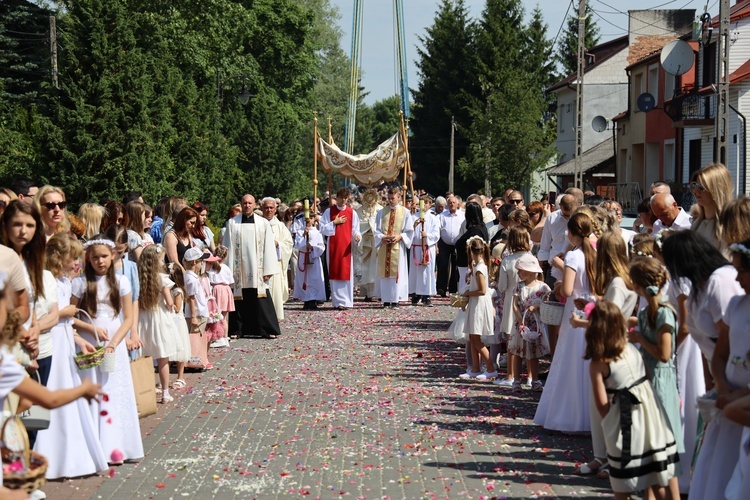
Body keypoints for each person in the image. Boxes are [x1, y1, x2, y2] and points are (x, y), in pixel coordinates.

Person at [585, 300, 680, 499]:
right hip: (650, 417)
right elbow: (646, 377)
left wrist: (610, 424)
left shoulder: (598, 363)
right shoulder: (632, 349)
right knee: (654, 476)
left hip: (624, 422)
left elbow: (602, 404)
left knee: (623, 483)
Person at [33, 234, 108, 479]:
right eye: (72, 256)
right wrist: (65, 312)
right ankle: (48, 453)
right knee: (53, 391)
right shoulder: (48, 282)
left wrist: (78, 341)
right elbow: (53, 316)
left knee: (69, 393)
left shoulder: (65, 281)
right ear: (58, 257)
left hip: (65, 339)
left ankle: (72, 454)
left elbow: (66, 323)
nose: (76, 261)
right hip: (52, 341)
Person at [569, 231, 638, 478]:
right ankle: (602, 456)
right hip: (611, 345)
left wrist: (581, 323)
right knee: (600, 407)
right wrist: (591, 306)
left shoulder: (618, 282)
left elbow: (612, 320)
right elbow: (609, 310)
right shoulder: (618, 280)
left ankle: (612, 457)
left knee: (607, 407)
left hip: (611, 348)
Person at [686, 239, 750, 500]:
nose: (737, 277)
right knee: (719, 470)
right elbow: (721, 354)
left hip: (745, 404)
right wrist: (722, 386)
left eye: (741, 271)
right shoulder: (736, 305)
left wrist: (739, 395)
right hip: (728, 400)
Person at [71, 237, 144, 464]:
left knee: (114, 388)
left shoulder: (121, 281)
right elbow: (71, 315)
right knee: (93, 386)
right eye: (95, 257)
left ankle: (119, 446)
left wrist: (115, 342)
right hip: (89, 339)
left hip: (114, 341)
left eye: (104, 256)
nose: (100, 261)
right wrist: (89, 329)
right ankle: (95, 448)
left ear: (113, 256)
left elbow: (129, 317)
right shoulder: (80, 283)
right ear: (88, 259)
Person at [534, 212, 596, 433]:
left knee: (570, 360)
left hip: (576, 309)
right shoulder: (596, 253)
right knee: (588, 361)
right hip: (593, 307)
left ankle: (568, 414)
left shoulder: (573, 256)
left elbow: (569, 290)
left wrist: (559, 286)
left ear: (570, 233)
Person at [628, 258, 683, 498]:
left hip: (660, 383)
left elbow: (664, 353)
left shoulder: (664, 313)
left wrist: (640, 340)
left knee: (663, 454)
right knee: (648, 452)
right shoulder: (645, 313)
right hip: (646, 381)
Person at [223, 194, 281, 339]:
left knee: (261, 298)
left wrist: (268, 269)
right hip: (238, 269)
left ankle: (266, 329)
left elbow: (268, 246)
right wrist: (227, 271)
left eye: (250, 203)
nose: (247, 205)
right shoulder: (232, 223)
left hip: (258, 268)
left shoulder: (263, 223)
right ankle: (236, 330)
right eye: (244, 203)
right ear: (241, 204)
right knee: (239, 298)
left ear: (255, 205)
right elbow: (227, 247)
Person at [536, 193, 579, 356]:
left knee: (571, 311)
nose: (568, 219)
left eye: (571, 215)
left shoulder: (582, 218)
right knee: (552, 313)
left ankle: (568, 352)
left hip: (574, 268)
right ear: (559, 207)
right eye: (565, 215)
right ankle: (553, 353)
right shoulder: (553, 219)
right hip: (554, 270)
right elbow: (545, 245)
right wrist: (542, 267)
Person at [138, 244, 179, 403]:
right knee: (163, 358)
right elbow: (169, 302)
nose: (163, 263)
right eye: (161, 260)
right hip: (159, 318)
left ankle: (146, 389)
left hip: (144, 319)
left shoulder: (140, 279)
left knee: (146, 355)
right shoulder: (162, 279)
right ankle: (165, 392)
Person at [493, 227, 530, 388]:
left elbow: (502, 285)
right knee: (528, 339)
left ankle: (510, 375)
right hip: (528, 300)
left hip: (511, 300)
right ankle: (530, 376)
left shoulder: (507, 261)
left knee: (511, 339)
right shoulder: (531, 258)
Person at [509, 254, 550, 392]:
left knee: (534, 354)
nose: (519, 273)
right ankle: (516, 380)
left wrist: (537, 306)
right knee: (518, 353)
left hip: (535, 324)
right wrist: (520, 319)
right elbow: (514, 305)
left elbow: (547, 303)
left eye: (521, 270)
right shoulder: (519, 286)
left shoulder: (542, 287)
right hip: (522, 324)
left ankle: (534, 379)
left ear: (531, 271)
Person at [459, 236, 496, 379]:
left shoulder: (480, 268)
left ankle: (490, 367)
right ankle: (475, 368)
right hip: (476, 303)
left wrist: (468, 293)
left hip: (479, 304)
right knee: (472, 337)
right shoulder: (478, 266)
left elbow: (482, 290)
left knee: (476, 339)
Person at [320, 188, 361, 310]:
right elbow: (322, 228)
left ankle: (347, 301)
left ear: (348, 198)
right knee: (335, 272)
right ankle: (337, 302)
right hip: (333, 246)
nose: (343, 200)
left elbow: (356, 229)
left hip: (346, 247)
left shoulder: (352, 213)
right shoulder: (329, 212)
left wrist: (357, 236)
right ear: (336, 197)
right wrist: (334, 222)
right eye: (341, 197)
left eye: (345, 198)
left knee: (345, 272)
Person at [374, 188, 414, 308]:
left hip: (398, 247)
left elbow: (409, 231)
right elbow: (376, 230)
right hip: (384, 246)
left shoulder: (405, 212)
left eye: (393, 198)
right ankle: (386, 300)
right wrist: (382, 237)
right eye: (389, 198)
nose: (390, 200)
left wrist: (400, 236)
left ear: (399, 198)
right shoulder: (382, 212)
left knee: (397, 274)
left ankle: (395, 299)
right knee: (385, 275)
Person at [689, 163, 734, 257]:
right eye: (694, 185)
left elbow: (727, 263)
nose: (696, 191)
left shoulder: (728, 226)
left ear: (717, 189)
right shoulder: (696, 224)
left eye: (701, 187)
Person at [259, 198, 294, 318]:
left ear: (275, 210)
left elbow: (289, 244)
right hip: (259, 265)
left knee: (274, 292)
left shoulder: (280, 227)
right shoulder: (257, 224)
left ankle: (274, 317)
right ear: (262, 209)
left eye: (271, 208)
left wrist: (278, 244)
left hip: (276, 265)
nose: (269, 210)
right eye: (266, 207)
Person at [409, 195, 439, 306]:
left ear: (430, 204)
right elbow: (408, 231)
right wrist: (414, 226)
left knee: (427, 272)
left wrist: (427, 235)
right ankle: (415, 295)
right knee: (415, 272)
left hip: (427, 247)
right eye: (422, 203)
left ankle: (426, 296)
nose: (424, 205)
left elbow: (436, 234)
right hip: (416, 247)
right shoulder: (413, 217)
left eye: (426, 203)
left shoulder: (433, 218)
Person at [293, 217, 326, 310]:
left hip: (314, 258)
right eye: (306, 218)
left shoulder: (318, 233)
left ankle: (313, 300)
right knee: (304, 280)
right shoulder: (300, 232)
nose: (308, 220)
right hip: (303, 257)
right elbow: (297, 245)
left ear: (314, 220)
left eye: (311, 218)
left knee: (314, 279)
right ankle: (306, 300)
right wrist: (304, 237)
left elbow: (321, 246)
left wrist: (312, 248)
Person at [356, 189, 382, 302]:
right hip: (366, 243)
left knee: (376, 268)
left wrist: (372, 225)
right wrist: (368, 225)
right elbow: (357, 225)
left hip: (377, 243)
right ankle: (368, 293)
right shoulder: (360, 210)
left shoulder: (381, 209)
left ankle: (379, 292)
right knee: (367, 269)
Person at [167, 263, 190, 390]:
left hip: (177, 322)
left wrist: (167, 302)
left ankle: (180, 377)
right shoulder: (169, 290)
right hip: (170, 322)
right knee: (168, 350)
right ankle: (167, 376)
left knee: (180, 350)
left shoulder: (177, 291)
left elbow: (176, 308)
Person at [436, 195, 464, 296]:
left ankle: (453, 289)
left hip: (458, 244)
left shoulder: (462, 215)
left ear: (457, 204)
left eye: (453, 202)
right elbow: (437, 229)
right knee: (443, 265)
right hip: (444, 243)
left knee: (456, 266)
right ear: (447, 204)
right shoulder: (442, 215)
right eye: (450, 203)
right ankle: (441, 288)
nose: (452, 204)